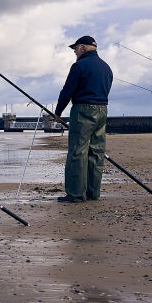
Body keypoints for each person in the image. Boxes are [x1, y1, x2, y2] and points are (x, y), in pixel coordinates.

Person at [54, 36, 113, 202]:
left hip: (83, 110)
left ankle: (75, 194)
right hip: (102, 111)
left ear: (83, 47)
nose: (74, 52)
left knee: (77, 152)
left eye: (75, 48)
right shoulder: (106, 68)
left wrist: (58, 112)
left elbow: (67, 91)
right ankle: (92, 193)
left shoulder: (79, 65)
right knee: (96, 152)